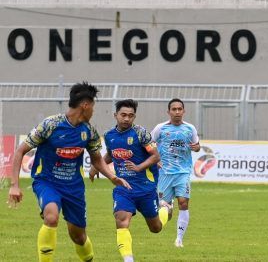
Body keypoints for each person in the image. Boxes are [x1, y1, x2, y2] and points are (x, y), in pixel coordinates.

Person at [7, 82, 131, 262]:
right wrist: (14, 185)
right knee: (51, 216)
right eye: (93, 107)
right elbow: (20, 151)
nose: (93, 112)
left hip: (74, 188)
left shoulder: (88, 131)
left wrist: (112, 177)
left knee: (79, 237)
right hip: (47, 182)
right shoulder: (50, 125)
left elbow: (96, 159)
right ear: (85, 105)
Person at [89, 99, 171, 262]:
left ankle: (166, 208)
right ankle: (128, 259)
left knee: (155, 228)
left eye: (130, 116)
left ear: (134, 117)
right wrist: (96, 167)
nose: (126, 118)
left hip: (145, 188)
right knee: (121, 220)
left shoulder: (140, 133)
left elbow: (156, 156)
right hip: (123, 187)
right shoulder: (109, 136)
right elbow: (111, 154)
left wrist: (139, 167)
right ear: (116, 115)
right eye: (123, 115)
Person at [152, 98, 201, 248]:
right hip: (164, 173)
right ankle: (168, 207)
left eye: (180, 109)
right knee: (164, 209)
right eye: (174, 109)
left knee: (183, 203)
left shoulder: (190, 128)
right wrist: (155, 159)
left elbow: (197, 145)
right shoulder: (160, 128)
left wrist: (196, 147)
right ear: (169, 112)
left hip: (183, 172)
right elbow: (149, 144)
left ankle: (179, 239)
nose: (177, 112)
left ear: (184, 111)